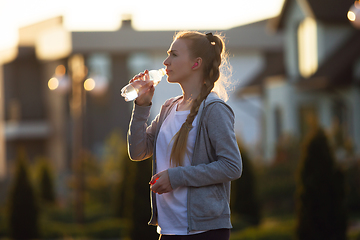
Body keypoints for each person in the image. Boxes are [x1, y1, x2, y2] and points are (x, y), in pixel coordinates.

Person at [126, 31, 242, 240]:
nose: (166, 61)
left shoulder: (213, 109)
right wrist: (142, 106)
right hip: (168, 230)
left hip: (204, 231)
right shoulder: (168, 108)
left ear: (195, 63)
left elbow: (232, 166)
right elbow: (137, 151)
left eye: (174, 55)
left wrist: (176, 177)